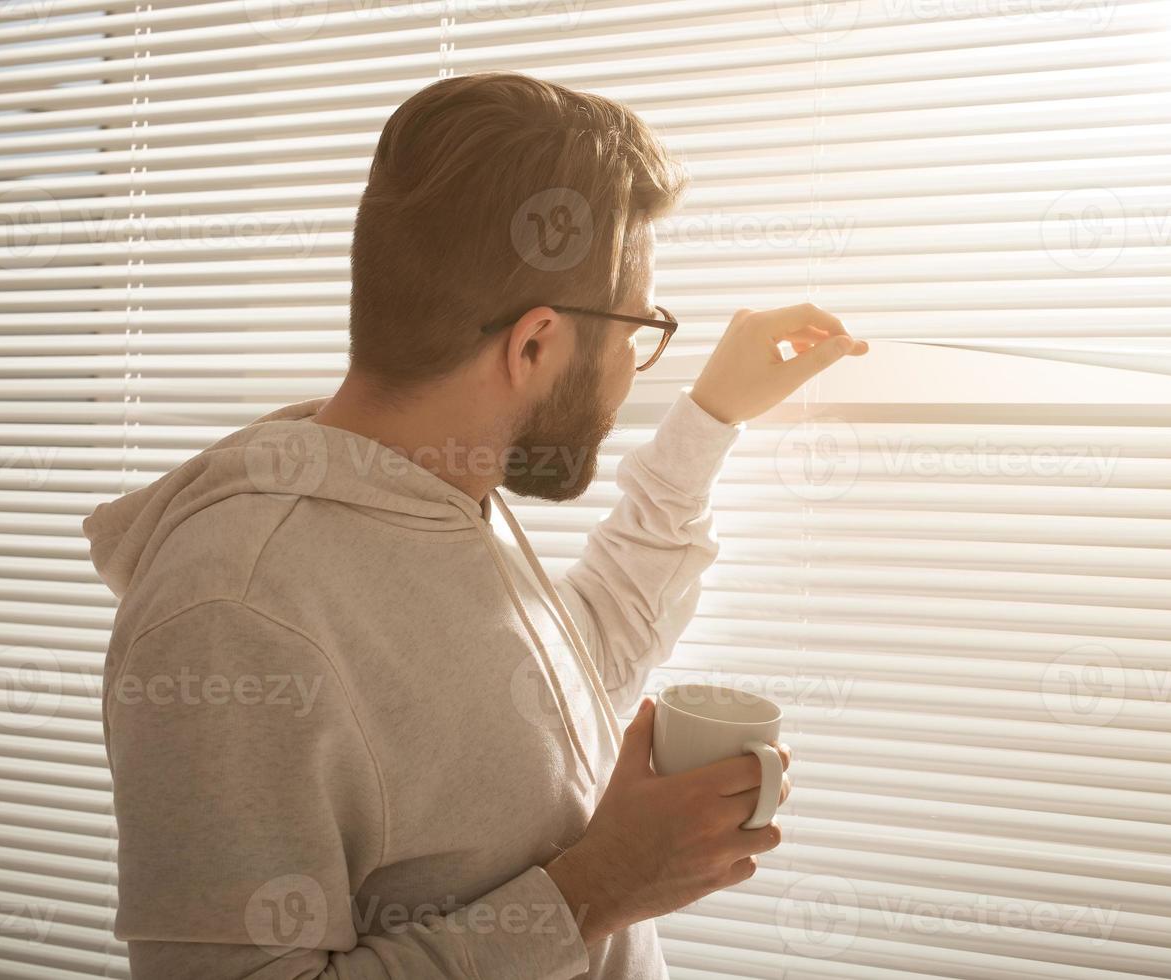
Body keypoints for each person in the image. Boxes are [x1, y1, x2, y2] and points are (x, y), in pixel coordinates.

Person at [82, 70, 868, 979]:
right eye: (634, 331)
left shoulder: (439, 503)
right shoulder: (235, 613)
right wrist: (599, 888)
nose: (633, 368)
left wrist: (712, 418)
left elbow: (571, 666)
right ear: (533, 344)